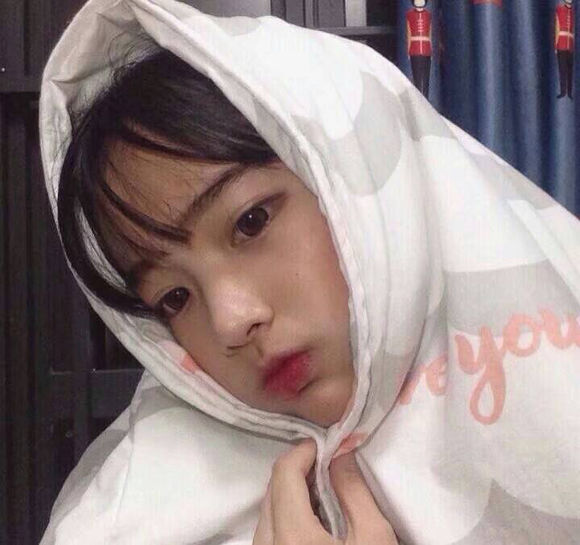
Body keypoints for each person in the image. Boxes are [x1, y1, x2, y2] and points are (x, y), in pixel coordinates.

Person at [39, 1, 580, 544]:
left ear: (362, 177)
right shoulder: (134, 518)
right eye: (174, 297)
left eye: (251, 222)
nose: (230, 322)